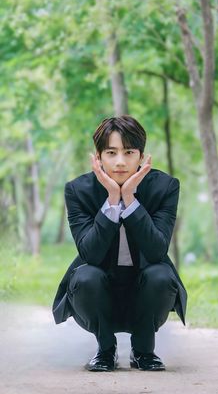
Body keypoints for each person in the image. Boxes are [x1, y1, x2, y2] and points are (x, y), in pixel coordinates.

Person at [52, 115, 187, 372]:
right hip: (98, 292)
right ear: (98, 157)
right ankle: (105, 350)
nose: (121, 162)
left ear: (141, 156)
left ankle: (144, 351)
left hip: (146, 291)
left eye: (129, 152)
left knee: (162, 275)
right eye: (111, 152)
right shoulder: (78, 190)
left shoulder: (165, 187)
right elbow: (90, 254)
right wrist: (113, 199)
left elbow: (157, 250)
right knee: (85, 276)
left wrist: (130, 199)